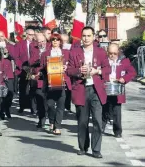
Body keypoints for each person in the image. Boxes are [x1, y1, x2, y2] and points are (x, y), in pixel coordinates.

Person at [67, 26, 111, 158]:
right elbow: (69, 70)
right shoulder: (74, 52)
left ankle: (96, 149)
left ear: (93, 37)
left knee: (97, 120)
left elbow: (107, 69)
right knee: (82, 121)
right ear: (81, 37)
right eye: (84, 36)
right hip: (81, 89)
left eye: (89, 36)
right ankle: (83, 147)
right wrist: (79, 71)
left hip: (96, 90)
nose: (86, 38)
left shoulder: (101, 52)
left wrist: (97, 71)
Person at [102, 43, 136, 137]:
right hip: (105, 88)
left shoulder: (124, 61)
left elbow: (132, 72)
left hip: (117, 89)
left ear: (118, 52)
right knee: (104, 108)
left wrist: (124, 78)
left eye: (114, 53)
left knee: (116, 110)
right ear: (107, 52)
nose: (112, 56)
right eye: (110, 53)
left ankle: (117, 131)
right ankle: (101, 127)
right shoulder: (103, 61)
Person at [40, 33, 71, 135]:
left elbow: (71, 65)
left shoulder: (66, 53)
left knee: (61, 105)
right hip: (50, 82)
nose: (55, 41)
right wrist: (48, 66)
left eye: (57, 40)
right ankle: (52, 122)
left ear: (60, 42)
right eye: (53, 39)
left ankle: (57, 127)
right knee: (50, 105)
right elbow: (41, 67)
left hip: (62, 81)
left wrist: (66, 67)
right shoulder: (45, 54)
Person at [29, 33, 48, 129]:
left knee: (48, 101)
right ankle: (42, 119)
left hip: (49, 79)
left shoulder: (50, 48)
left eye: (43, 41)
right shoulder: (34, 49)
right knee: (40, 100)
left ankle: (51, 119)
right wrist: (40, 58)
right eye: (39, 42)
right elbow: (31, 62)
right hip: (39, 79)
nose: (41, 43)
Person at [14, 28, 35, 113]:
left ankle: (33, 107)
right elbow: (16, 57)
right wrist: (22, 66)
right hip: (23, 69)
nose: (32, 37)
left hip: (33, 69)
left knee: (33, 88)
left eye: (33, 35)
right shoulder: (20, 44)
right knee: (23, 89)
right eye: (30, 35)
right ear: (26, 35)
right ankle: (22, 106)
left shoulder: (35, 44)